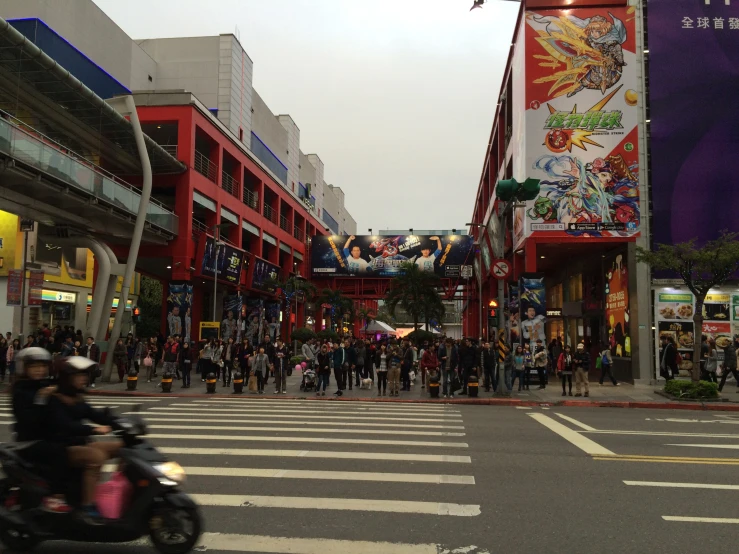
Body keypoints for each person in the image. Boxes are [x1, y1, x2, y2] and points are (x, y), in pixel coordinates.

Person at [48, 357, 122, 521]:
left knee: (123, 447)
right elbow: (65, 425)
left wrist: (120, 422)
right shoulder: (55, 399)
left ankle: (116, 489)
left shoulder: (77, 397)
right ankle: (88, 506)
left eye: (85, 375)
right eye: (79, 375)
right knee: (96, 457)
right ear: (67, 377)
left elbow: (93, 414)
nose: (84, 378)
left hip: (80, 444)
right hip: (64, 447)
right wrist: (94, 429)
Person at [11, 347, 70, 513]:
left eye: (42, 366)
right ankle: (55, 497)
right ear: (25, 368)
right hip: (29, 440)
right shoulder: (21, 390)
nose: (39, 370)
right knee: (60, 452)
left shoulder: (45, 384)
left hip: (46, 435)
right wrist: (41, 398)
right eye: (34, 366)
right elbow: (29, 420)